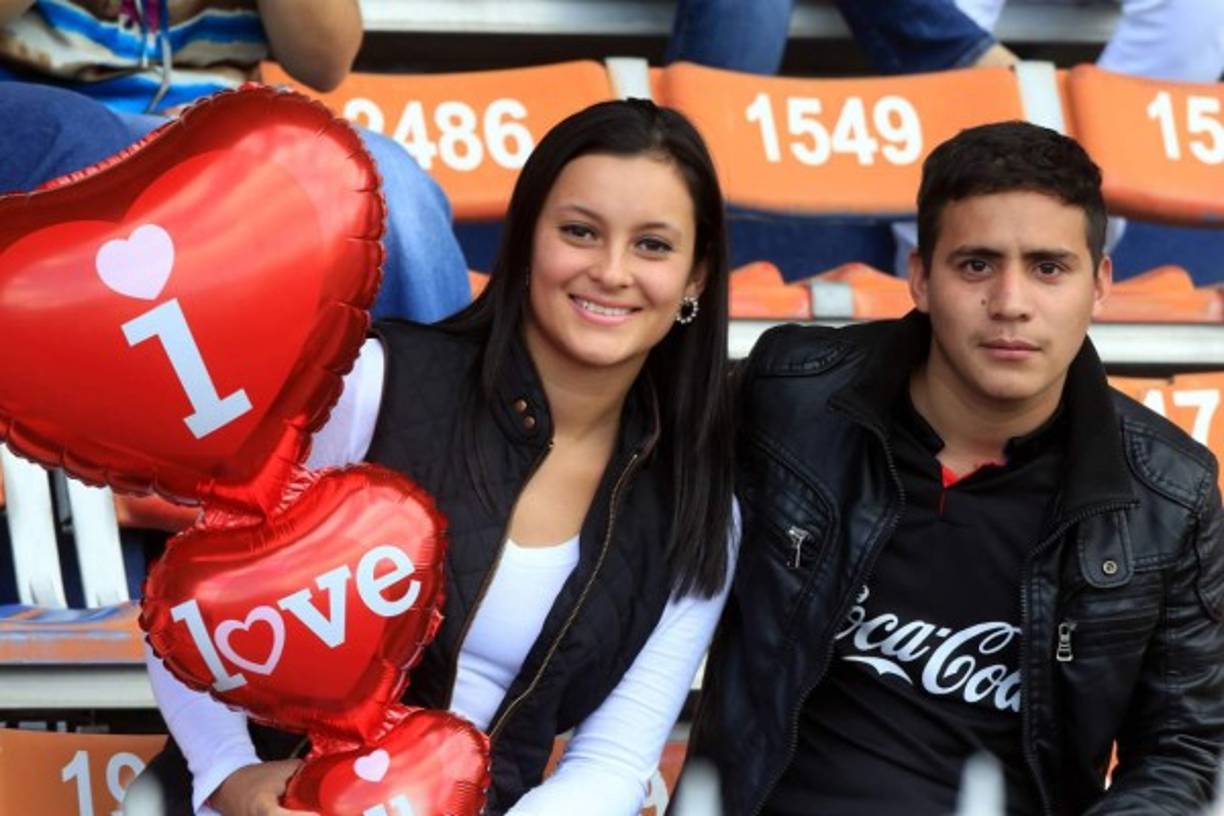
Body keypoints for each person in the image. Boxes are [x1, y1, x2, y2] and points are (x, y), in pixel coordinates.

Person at [129, 98, 739, 816]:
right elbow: (190, 596)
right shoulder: (374, 384)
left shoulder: (697, 506)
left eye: (653, 246)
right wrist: (230, 774)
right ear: (526, 241)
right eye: (580, 231)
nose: (611, 270)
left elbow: (610, 765)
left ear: (696, 277)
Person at [688, 121, 1224, 814]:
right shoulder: (790, 398)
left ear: (1099, 285)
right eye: (976, 265)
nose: (1010, 304)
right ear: (919, 277)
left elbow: (1184, 748)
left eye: (1049, 268)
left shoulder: (1169, 496)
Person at [0, 1, 471, 322]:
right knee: (74, 134)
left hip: (229, 131)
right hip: (49, 116)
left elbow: (326, 60)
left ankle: (451, 426)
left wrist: (215, 124)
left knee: (385, 183)